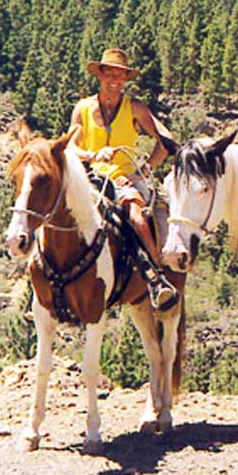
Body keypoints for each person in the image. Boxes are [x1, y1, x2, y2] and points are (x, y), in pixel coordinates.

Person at [70, 48, 179, 309]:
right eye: (110, 74)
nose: (115, 81)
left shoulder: (134, 108)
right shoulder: (83, 108)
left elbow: (166, 140)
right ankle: (39, 289)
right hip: (89, 175)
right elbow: (70, 146)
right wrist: (93, 154)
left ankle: (156, 277)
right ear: (101, 75)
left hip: (122, 177)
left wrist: (147, 167)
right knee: (50, 211)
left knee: (138, 217)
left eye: (121, 76)